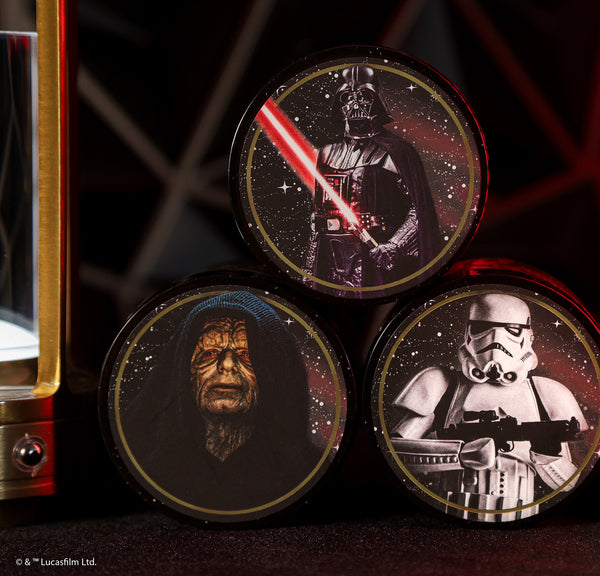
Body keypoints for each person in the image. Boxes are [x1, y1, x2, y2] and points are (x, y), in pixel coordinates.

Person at [390, 293, 588, 521]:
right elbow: (394, 453)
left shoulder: (548, 393)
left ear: (529, 337)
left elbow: (569, 483)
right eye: (482, 328)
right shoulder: (442, 384)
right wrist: (457, 455)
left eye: (512, 330)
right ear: (468, 333)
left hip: (521, 515)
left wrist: (547, 458)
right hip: (453, 513)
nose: (496, 340)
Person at [122, 291, 317, 510]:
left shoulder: (307, 475)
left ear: (273, 373)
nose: (226, 364)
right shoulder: (143, 468)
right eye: (209, 353)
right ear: (186, 371)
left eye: (246, 355)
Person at [305, 64, 441, 291]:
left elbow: (419, 209)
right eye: (348, 97)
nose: (355, 104)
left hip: (373, 253)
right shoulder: (327, 152)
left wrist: (395, 245)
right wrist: (310, 269)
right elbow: (319, 213)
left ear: (377, 100)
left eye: (364, 96)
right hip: (330, 253)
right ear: (339, 104)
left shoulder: (396, 151)